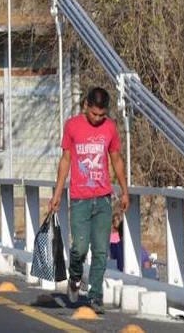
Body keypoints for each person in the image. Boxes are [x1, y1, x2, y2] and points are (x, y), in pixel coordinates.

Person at [49, 87, 129, 313]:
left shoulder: (110, 128)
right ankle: (75, 277)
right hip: (79, 199)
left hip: (103, 198)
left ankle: (95, 296)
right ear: (86, 106)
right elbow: (65, 161)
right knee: (80, 248)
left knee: (101, 250)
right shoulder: (72, 126)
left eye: (102, 115)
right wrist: (56, 194)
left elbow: (116, 160)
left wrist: (124, 190)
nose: (97, 119)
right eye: (94, 114)